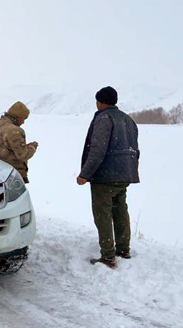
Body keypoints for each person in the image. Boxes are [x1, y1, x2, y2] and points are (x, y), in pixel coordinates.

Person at [77, 86, 140, 269]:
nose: (96, 104)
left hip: (106, 177)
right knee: (120, 211)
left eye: (97, 101)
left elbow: (98, 150)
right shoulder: (128, 119)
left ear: (102, 101)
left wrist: (85, 174)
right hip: (125, 174)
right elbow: (135, 149)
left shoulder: (104, 118)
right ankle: (123, 249)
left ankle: (108, 256)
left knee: (102, 214)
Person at [0, 101, 39, 183]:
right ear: (18, 117)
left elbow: (6, 148)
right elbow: (23, 155)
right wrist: (32, 147)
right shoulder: (14, 131)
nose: (23, 122)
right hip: (13, 176)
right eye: (24, 118)